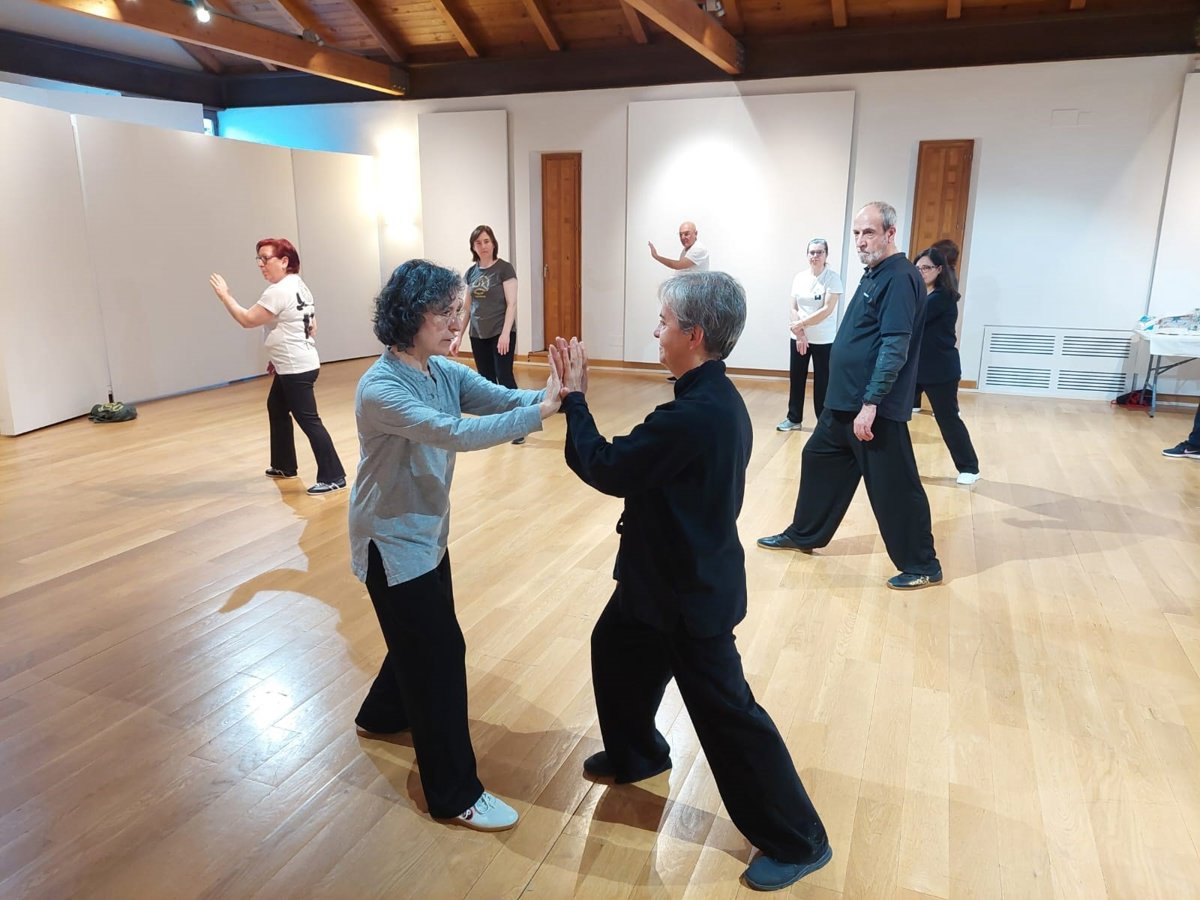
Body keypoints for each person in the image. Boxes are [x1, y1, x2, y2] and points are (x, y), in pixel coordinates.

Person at [556, 271, 831, 893]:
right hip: (658, 580)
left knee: (729, 718)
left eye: (664, 322)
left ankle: (798, 839)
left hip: (686, 596)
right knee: (616, 647)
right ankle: (640, 753)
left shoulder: (696, 414)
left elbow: (606, 465)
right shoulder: (712, 399)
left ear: (694, 334)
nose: (656, 330)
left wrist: (575, 400)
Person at [349, 259, 563, 831]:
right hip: (391, 543)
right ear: (408, 313)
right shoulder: (380, 389)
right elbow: (456, 433)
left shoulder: (442, 371)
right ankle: (453, 793)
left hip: (424, 533)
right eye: (444, 313)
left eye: (459, 312)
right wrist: (540, 414)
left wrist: (552, 393)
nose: (456, 324)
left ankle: (380, 715)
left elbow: (494, 398)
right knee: (440, 657)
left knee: (419, 638)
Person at [757, 202, 942, 590]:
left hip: (871, 409)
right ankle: (805, 534)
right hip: (844, 403)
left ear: (891, 233)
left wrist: (872, 403)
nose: (860, 240)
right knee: (817, 458)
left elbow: (895, 345)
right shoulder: (875, 273)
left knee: (894, 486)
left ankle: (923, 564)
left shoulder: (899, 277)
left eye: (869, 232)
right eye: (857, 233)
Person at [209, 237, 347, 495]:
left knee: (308, 420)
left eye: (266, 258)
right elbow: (311, 326)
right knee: (276, 406)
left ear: (284, 261)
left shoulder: (279, 290)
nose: (261, 264)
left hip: (296, 367)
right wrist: (277, 355)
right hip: (293, 363)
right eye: (258, 259)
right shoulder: (299, 286)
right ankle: (284, 464)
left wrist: (225, 295)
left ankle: (334, 476)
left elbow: (247, 320)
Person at [912, 246, 980, 484]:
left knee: (947, 419)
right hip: (915, 368)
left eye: (927, 267)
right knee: (892, 416)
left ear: (939, 269)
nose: (921, 272)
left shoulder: (942, 297)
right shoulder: (919, 294)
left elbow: (912, 318)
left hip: (940, 370)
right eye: (918, 268)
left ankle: (970, 467)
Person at [454, 225, 525, 443]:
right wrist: (458, 336)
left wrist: (505, 334)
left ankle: (519, 425)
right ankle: (498, 425)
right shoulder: (471, 272)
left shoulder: (504, 269)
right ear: (473, 247)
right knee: (486, 380)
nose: (483, 246)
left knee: (504, 377)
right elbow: (468, 307)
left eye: (486, 241)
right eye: (478, 243)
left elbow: (511, 304)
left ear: (493, 243)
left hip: (500, 332)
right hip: (478, 334)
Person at [777, 238, 843, 432]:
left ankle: (823, 423)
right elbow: (792, 306)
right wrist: (799, 333)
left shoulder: (832, 278)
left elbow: (827, 309)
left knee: (823, 381)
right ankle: (794, 418)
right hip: (798, 337)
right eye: (812, 252)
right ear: (807, 255)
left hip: (824, 339)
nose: (815, 256)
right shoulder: (799, 278)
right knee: (797, 378)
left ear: (826, 255)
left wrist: (802, 325)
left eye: (819, 252)